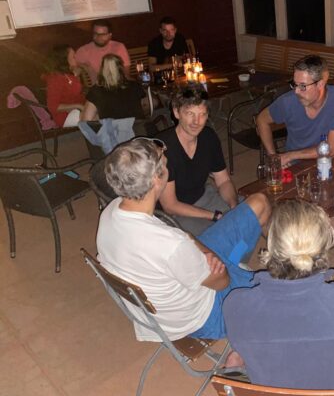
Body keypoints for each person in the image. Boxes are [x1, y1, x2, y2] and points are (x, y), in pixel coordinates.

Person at [97, 138, 270, 362]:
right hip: (205, 315)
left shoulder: (111, 211)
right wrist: (202, 252)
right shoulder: (171, 244)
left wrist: (195, 247)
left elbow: (185, 246)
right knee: (280, 293)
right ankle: (243, 344)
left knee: (259, 204)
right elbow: (222, 281)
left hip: (180, 284)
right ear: (156, 180)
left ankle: (235, 261)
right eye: (164, 163)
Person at [223, 199, 334, 395]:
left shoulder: (236, 304)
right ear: (323, 246)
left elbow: (240, 346)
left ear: (272, 244)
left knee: (234, 358)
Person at [156, 89, 238, 237]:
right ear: (176, 112)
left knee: (251, 213)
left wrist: (234, 206)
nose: (196, 121)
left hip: (204, 196)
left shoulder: (208, 137)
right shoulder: (163, 149)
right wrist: (213, 216)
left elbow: (223, 181)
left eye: (202, 114)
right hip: (176, 213)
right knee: (216, 236)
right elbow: (170, 205)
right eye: (190, 113)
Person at [256, 55, 334, 167]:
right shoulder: (288, 101)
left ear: (320, 84)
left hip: (327, 161)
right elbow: (262, 120)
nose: (296, 91)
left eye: (303, 86)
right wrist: (273, 156)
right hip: (295, 165)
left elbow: (330, 149)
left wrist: (289, 156)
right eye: (295, 84)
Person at [80, 54, 146, 121]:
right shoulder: (134, 85)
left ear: (102, 70)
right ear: (121, 68)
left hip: (114, 127)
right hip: (139, 126)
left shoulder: (96, 91)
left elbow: (86, 119)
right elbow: (147, 105)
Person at [74, 19, 130, 85]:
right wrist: (84, 67)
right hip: (98, 87)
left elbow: (126, 73)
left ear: (110, 35)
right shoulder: (84, 50)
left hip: (118, 85)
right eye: (96, 33)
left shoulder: (119, 47)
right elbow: (73, 69)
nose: (99, 37)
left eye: (103, 34)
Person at [41, 45, 86, 127]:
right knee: (100, 116)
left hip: (77, 110)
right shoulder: (55, 79)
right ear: (64, 60)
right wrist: (78, 106)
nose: (76, 58)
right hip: (65, 117)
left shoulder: (69, 75)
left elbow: (76, 94)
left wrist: (76, 76)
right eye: (73, 56)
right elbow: (53, 106)